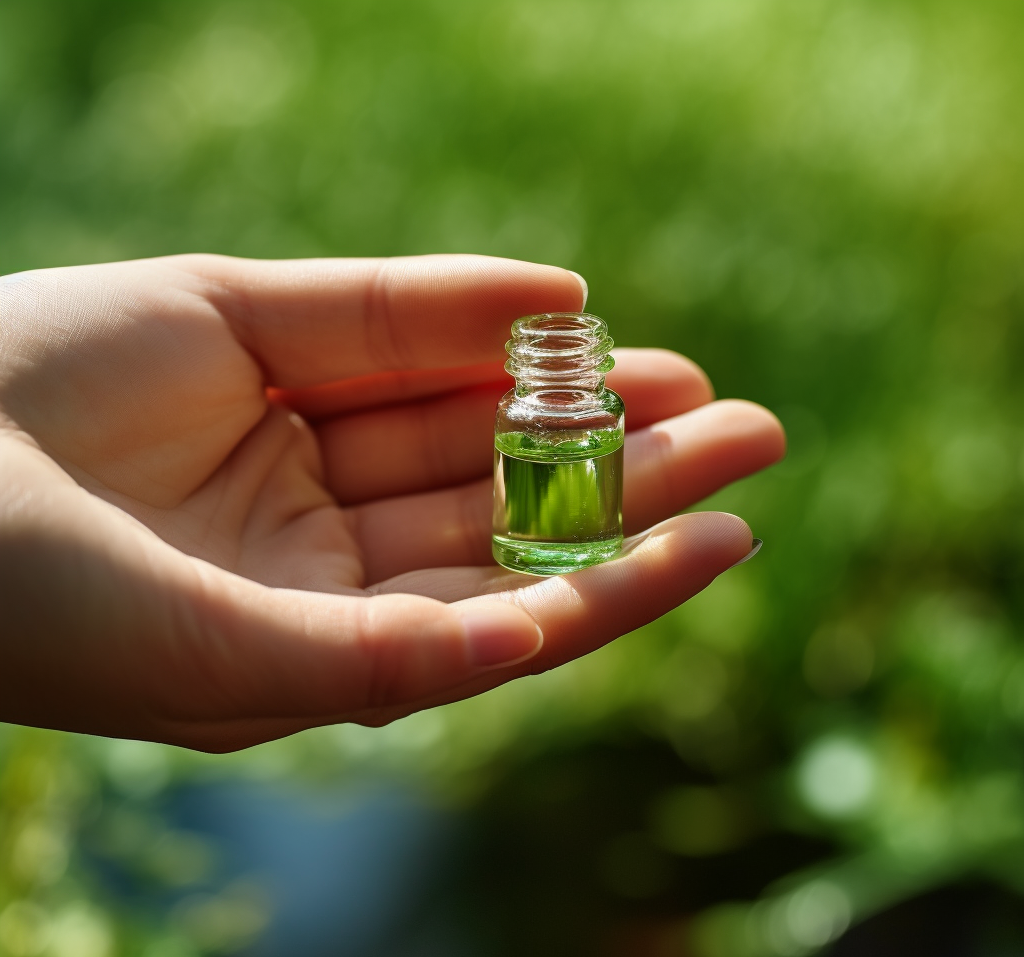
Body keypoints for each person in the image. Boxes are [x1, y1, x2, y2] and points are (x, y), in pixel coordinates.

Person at [0, 254, 785, 751]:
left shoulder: (596, 412)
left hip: (572, 542)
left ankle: (565, 547)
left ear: (593, 367)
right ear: (523, 365)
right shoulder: (521, 412)